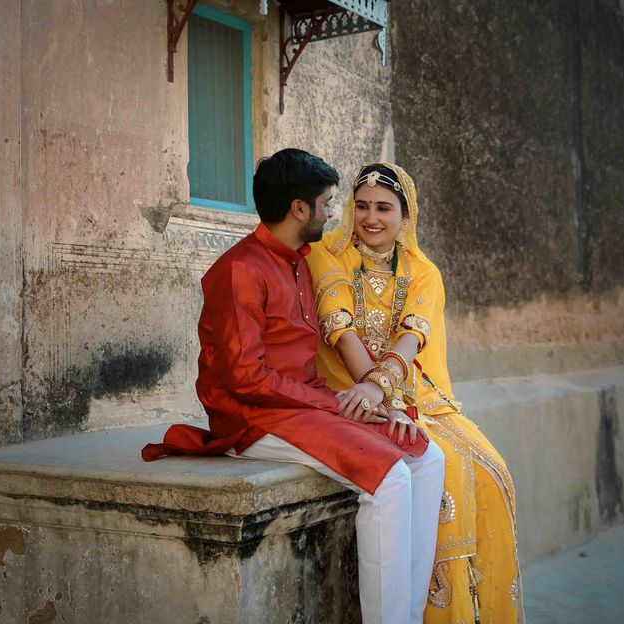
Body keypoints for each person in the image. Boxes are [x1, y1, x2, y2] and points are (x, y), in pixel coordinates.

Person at [143, 148, 445, 623]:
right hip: (253, 418)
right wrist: (332, 403)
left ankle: (407, 615)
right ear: (299, 209)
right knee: (389, 479)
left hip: (300, 408)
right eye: (327, 204)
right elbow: (245, 378)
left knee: (426, 454)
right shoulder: (240, 270)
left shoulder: (299, 261)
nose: (334, 213)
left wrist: (370, 402)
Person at [305, 162, 525, 624]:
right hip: (347, 394)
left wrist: (381, 387)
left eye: (384, 208)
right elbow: (338, 326)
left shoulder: (423, 271)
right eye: (361, 205)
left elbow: (413, 336)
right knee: (442, 470)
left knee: (491, 473)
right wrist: (371, 393)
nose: (371, 218)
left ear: (406, 216)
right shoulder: (328, 253)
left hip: (410, 395)